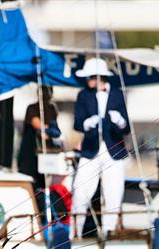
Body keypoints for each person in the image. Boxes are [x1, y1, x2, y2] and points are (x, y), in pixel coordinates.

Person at [72, 57, 131, 238]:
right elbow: (77, 123)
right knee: (80, 193)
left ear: (99, 77)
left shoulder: (118, 94)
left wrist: (120, 121)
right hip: (91, 151)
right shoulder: (83, 95)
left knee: (113, 194)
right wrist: (87, 124)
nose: (88, 80)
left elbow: (127, 127)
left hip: (114, 151)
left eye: (90, 77)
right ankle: (75, 234)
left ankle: (109, 233)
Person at [18, 85, 63, 228]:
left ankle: (44, 217)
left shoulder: (52, 109)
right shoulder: (32, 108)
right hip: (30, 154)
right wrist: (45, 129)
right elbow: (36, 123)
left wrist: (50, 131)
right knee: (32, 184)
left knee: (44, 186)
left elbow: (53, 129)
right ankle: (34, 216)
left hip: (45, 155)